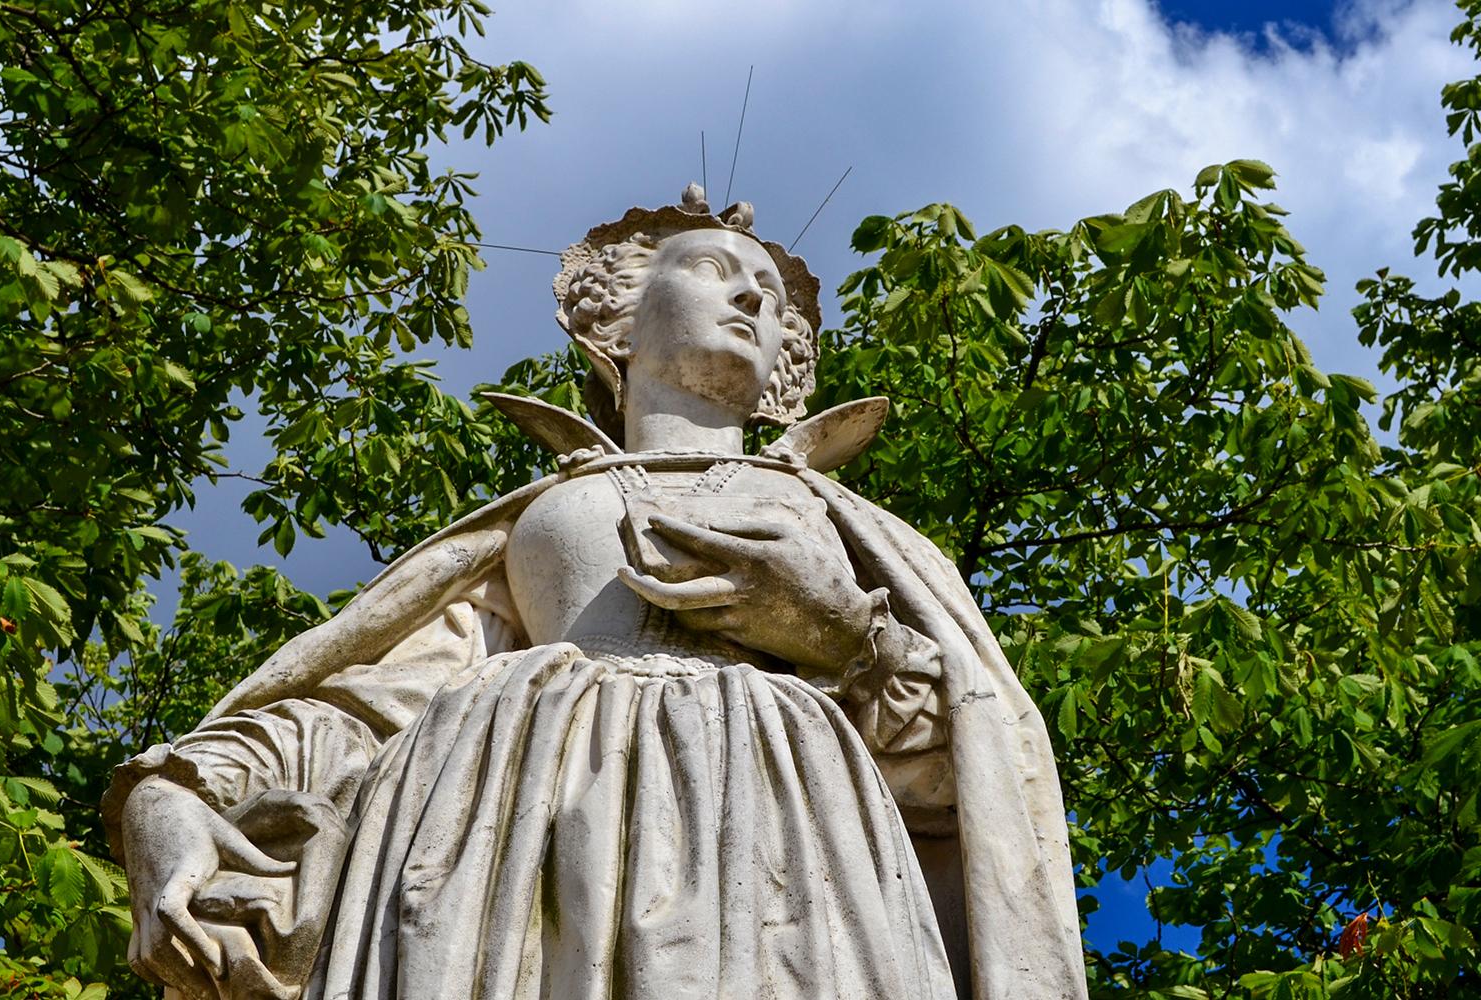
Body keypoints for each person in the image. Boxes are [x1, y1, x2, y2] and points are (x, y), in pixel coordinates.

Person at [103, 188, 1086, 1000]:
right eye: (712, 270)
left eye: (767, 293)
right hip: (507, 849)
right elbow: (370, 710)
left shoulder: (857, 535)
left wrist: (840, 636)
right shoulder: (538, 521)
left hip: (781, 855)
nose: (750, 296)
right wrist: (177, 792)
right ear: (614, 317)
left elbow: (968, 778)